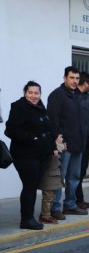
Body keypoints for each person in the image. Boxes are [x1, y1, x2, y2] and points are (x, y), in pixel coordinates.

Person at [5, 81, 59, 230]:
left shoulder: (41, 107)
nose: (34, 96)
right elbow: (10, 130)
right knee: (29, 186)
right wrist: (32, 138)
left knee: (33, 186)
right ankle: (26, 219)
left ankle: (29, 217)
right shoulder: (18, 107)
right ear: (25, 93)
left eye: (36, 93)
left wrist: (53, 147)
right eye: (30, 93)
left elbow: (48, 130)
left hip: (42, 154)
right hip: (25, 154)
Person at [47, 66, 88, 216]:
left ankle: (70, 204)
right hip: (64, 145)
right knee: (59, 178)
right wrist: (59, 138)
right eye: (72, 78)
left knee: (74, 177)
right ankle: (55, 207)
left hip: (79, 143)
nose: (75, 81)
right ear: (65, 78)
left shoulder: (78, 95)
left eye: (77, 78)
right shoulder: (56, 95)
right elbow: (53, 120)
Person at [75, 71, 89, 211]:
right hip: (80, 140)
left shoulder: (87, 97)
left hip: (88, 140)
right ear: (86, 83)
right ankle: (76, 200)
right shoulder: (76, 98)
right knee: (78, 172)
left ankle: (79, 199)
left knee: (81, 172)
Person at [38, 139, 65, 224]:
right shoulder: (49, 146)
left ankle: (47, 214)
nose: (62, 139)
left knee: (52, 196)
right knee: (48, 196)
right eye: (60, 137)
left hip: (54, 174)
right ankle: (45, 216)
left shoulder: (56, 147)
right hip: (49, 174)